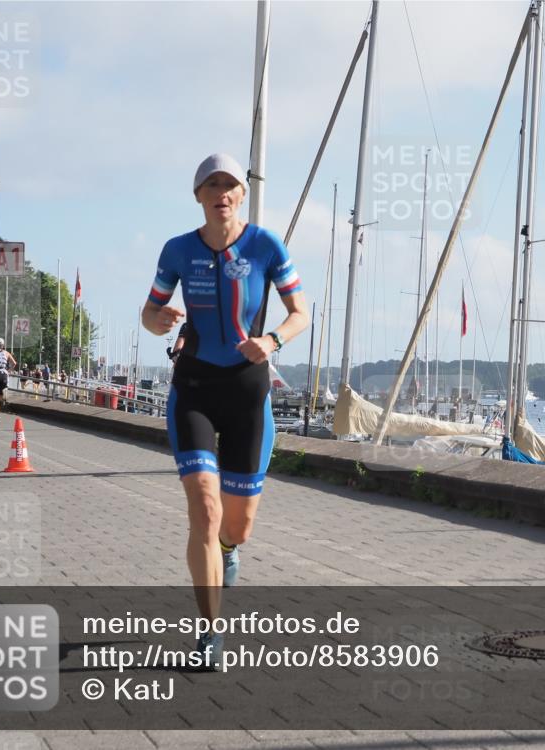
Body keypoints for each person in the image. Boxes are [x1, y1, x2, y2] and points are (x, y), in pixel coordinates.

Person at [141, 153, 308, 667]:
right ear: (199, 196)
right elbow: (149, 311)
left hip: (247, 393)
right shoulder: (178, 249)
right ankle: (210, 632)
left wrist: (273, 340)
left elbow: (300, 312)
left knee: (236, 527)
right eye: (212, 185)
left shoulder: (265, 245)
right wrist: (157, 319)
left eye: (230, 185)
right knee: (205, 510)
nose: (222, 193)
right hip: (194, 388)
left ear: (241, 195)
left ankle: (229, 551)